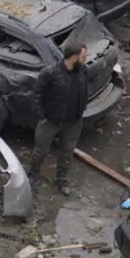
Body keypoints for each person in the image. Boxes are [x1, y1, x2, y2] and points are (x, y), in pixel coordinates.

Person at [28, 41, 88, 196]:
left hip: (74, 121)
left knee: (67, 152)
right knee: (40, 151)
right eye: (83, 56)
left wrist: (81, 110)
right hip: (51, 121)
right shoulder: (51, 73)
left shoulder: (82, 71)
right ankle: (33, 175)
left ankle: (61, 179)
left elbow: (84, 90)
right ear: (74, 57)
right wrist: (42, 116)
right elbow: (36, 95)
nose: (85, 59)